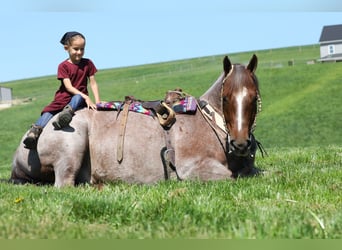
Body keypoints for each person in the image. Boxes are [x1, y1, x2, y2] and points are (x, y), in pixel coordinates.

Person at [23, 31, 101, 149]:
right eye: (76, 49)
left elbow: (93, 83)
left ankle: (64, 117)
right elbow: (68, 87)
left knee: (78, 98)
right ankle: (35, 132)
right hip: (65, 97)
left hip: (78, 99)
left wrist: (98, 101)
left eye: (82, 49)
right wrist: (86, 97)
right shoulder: (63, 66)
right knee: (49, 111)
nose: (79, 52)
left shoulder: (88, 63)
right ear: (66, 48)